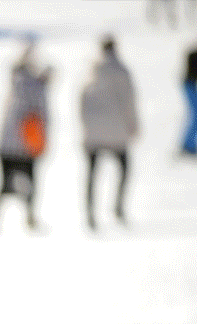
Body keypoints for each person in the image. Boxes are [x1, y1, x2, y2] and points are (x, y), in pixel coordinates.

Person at [0, 38, 51, 234]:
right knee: (30, 183)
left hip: (7, 144)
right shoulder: (35, 86)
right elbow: (41, 116)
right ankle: (29, 217)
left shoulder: (15, 82)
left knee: (4, 183)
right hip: (26, 145)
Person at [80, 36, 139, 231]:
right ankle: (118, 207)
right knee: (124, 169)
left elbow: (83, 100)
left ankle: (90, 212)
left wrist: (85, 127)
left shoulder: (92, 70)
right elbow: (129, 101)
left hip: (94, 131)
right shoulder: (122, 71)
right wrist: (133, 125)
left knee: (93, 173)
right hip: (117, 130)